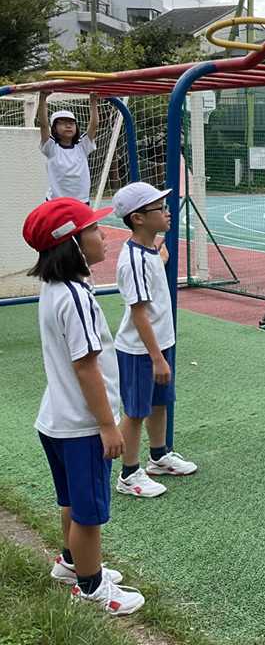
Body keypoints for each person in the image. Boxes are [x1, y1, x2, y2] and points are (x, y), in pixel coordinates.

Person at [22, 197, 146, 615]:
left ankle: (71, 563)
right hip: (81, 426)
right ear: (72, 244)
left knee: (72, 503)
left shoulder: (55, 289)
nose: (105, 235)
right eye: (93, 229)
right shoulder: (75, 297)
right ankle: (91, 587)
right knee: (89, 513)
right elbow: (87, 367)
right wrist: (108, 426)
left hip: (55, 420)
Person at [112, 183, 196, 499]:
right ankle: (129, 473)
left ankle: (159, 457)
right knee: (136, 410)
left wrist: (159, 260)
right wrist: (157, 358)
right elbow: (138, 314)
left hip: (161, 343)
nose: (167, 212)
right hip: (141, 351)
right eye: (160, 209)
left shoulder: (147, 253)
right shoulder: (133, 260)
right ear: (138, 218)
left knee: (160, 402)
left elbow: (149, 280)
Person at [37, 91, 99, 204]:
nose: (68, 125)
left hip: (81, 201)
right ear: (54, 128)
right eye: (62, 122)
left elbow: (94, 125)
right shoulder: (52, 148)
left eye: (71, 123)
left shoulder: (82, 147)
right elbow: (43, 125)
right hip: (57, 201)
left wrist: (93, 101)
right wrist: (42, 99)